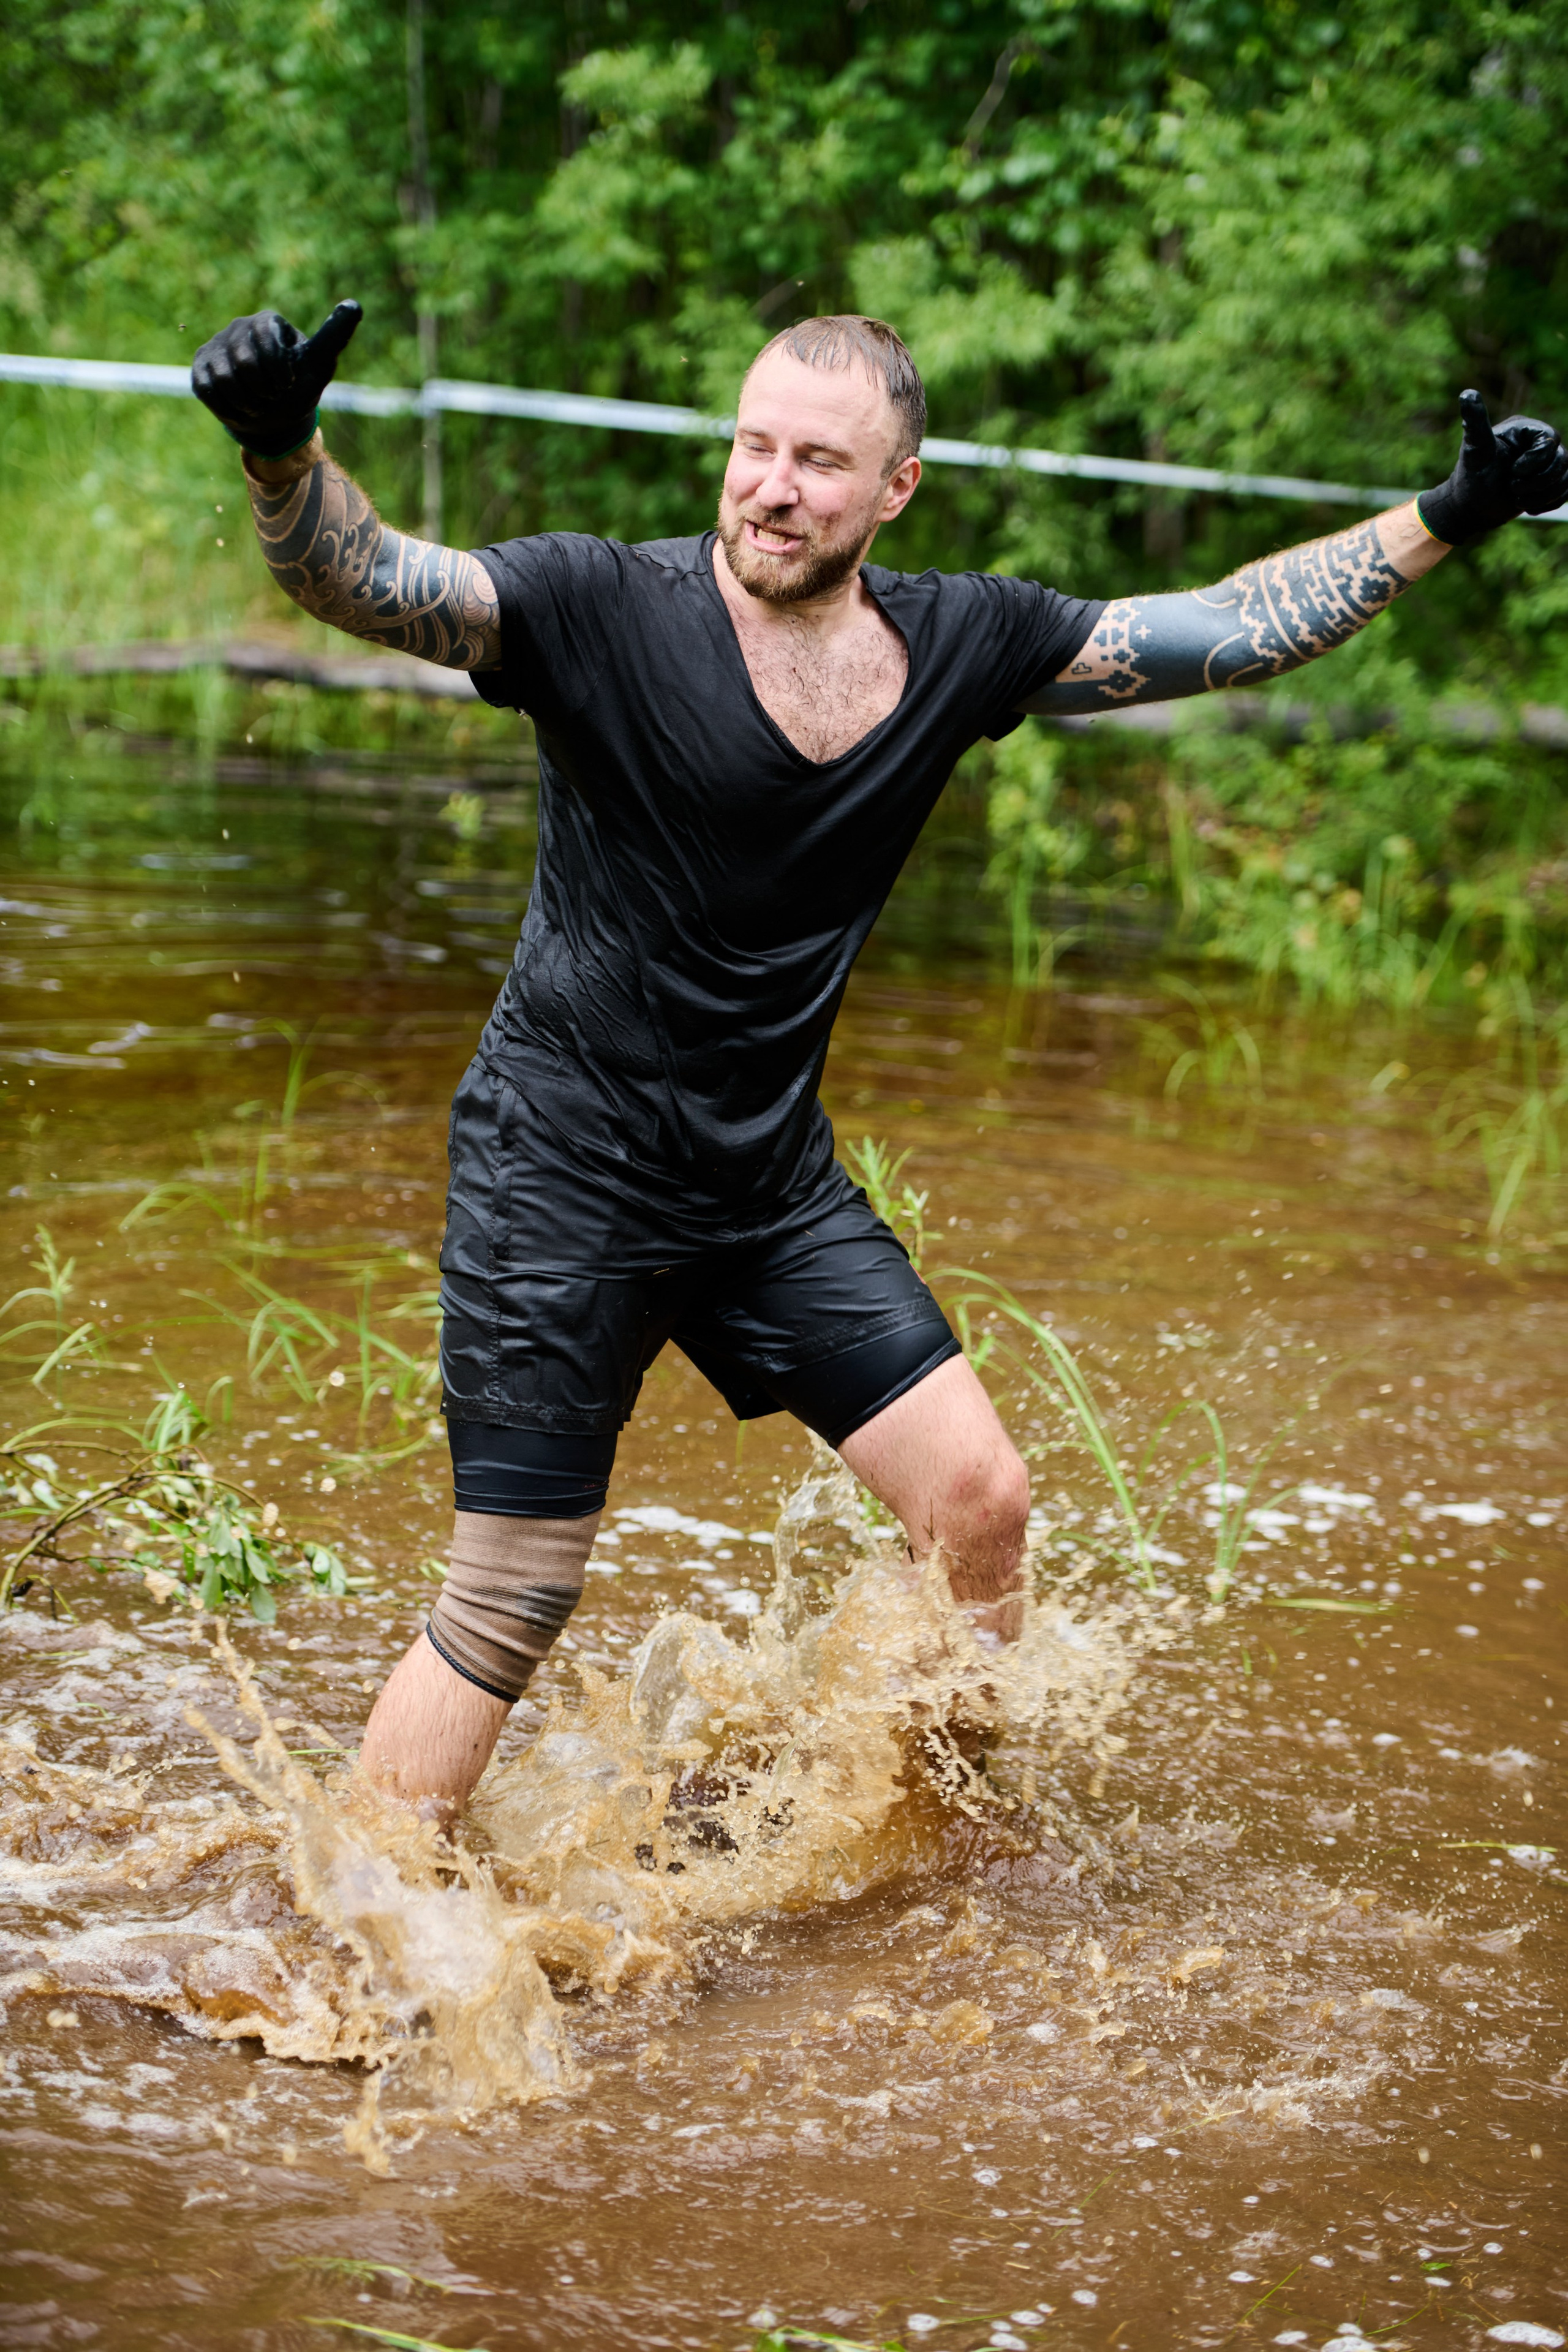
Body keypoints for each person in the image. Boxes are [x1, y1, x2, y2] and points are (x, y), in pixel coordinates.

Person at [192, 301, 1566, 1828]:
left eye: (818, 463)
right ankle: (356, 1942)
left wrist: (1446, 517)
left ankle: (939, 1860)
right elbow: (372, 583)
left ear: (893, 488)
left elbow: (1220, 629)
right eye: (753, 447)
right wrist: (278, 448)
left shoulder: (962, 642)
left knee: (979, 1504)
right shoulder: (597, 607)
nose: (770, 487)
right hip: (558, 1178)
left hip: (764, 1186)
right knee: (509, 1600)